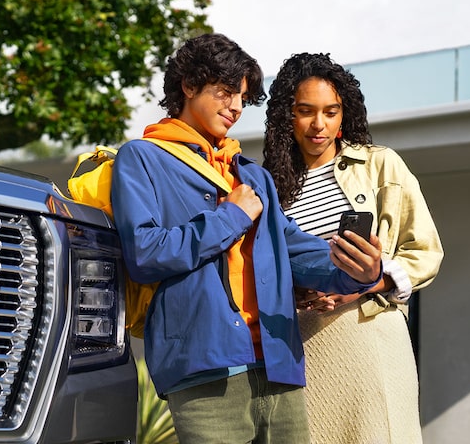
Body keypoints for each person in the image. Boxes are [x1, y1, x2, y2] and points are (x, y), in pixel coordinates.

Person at [110, 33, 384, 444]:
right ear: (188, 86)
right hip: (204, 370)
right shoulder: (141, 158)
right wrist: (232, 216)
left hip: (279, 362)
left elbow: (290, 248)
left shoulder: (252, 175)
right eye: (224, 93)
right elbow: (146, 253)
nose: (236, 108)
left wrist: (355, 270)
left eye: (240, 97)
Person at [263, 52, 444, 444]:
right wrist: (299, 292)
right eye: (305, 111)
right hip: (304, 347)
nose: (318, 124)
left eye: (331, 111)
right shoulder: (271, 190)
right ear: (286, 116)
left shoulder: (382, 166)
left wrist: (361, 286)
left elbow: (425, 253)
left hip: (370, 333)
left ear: (344, 114)